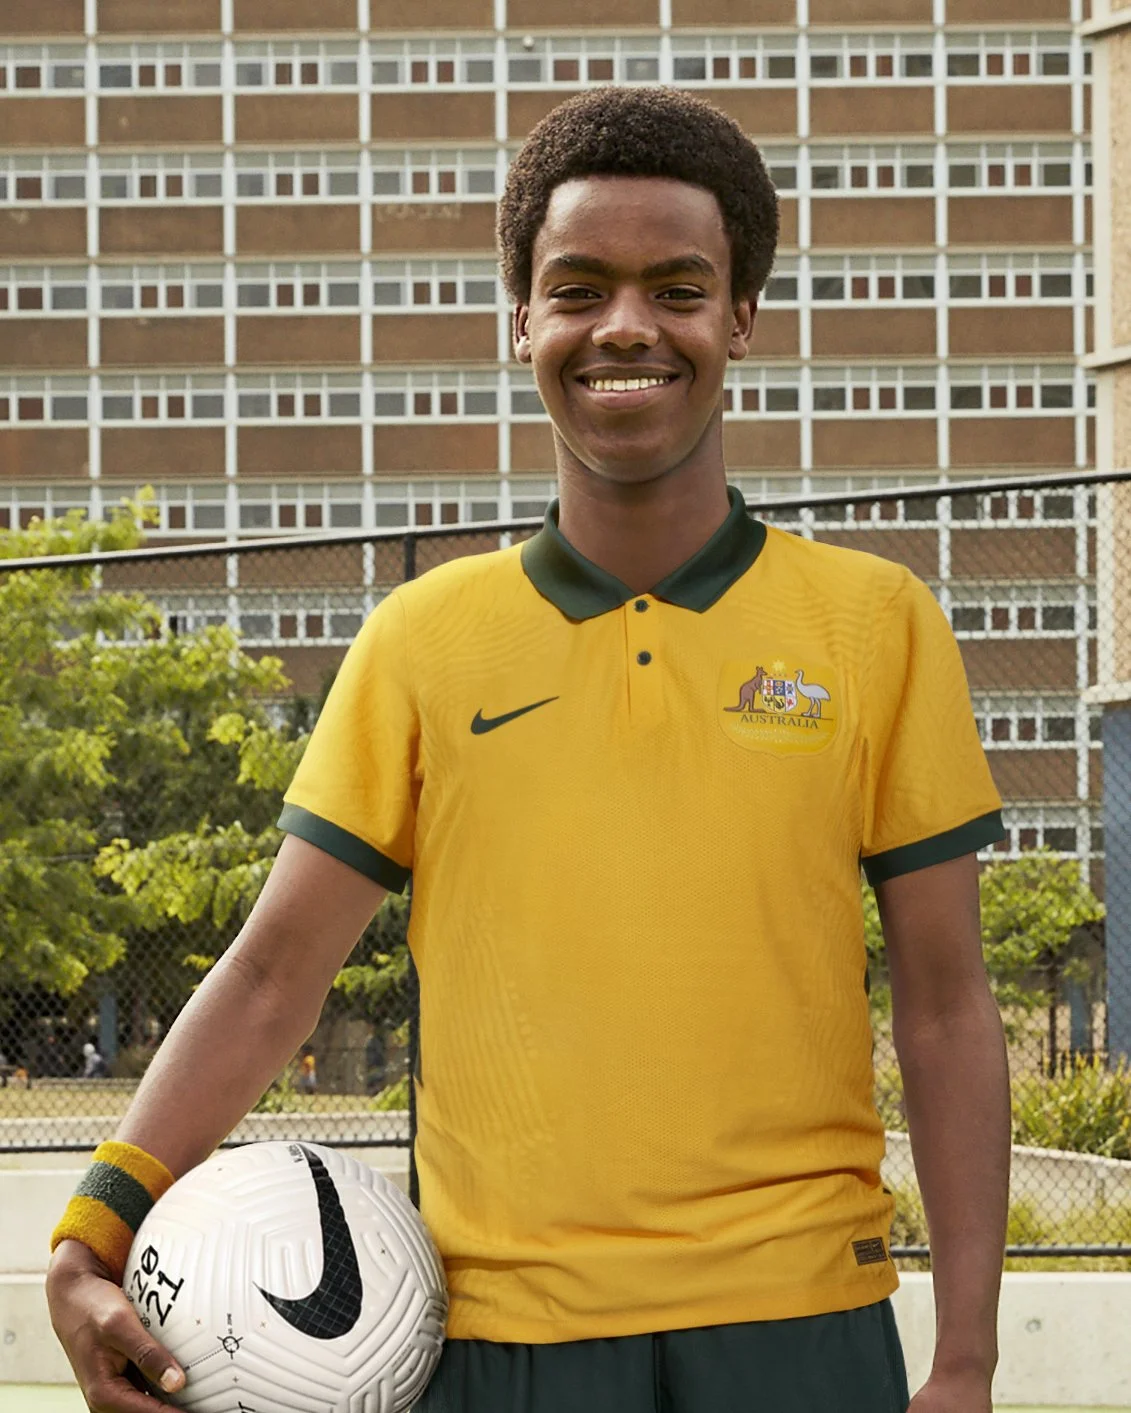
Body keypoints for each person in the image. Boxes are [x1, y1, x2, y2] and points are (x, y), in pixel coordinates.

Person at [46, 87, 1010, 1413]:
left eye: (678, 288)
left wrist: (964, 1355)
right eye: (577, 288)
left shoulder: (873, 624)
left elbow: (949, 1008)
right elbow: (275, 975)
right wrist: (88, 1232)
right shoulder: (424, 640)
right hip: (502, 1345)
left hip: (802, 1324)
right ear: (521, 320)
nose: (625, 326)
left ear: (740, 318)